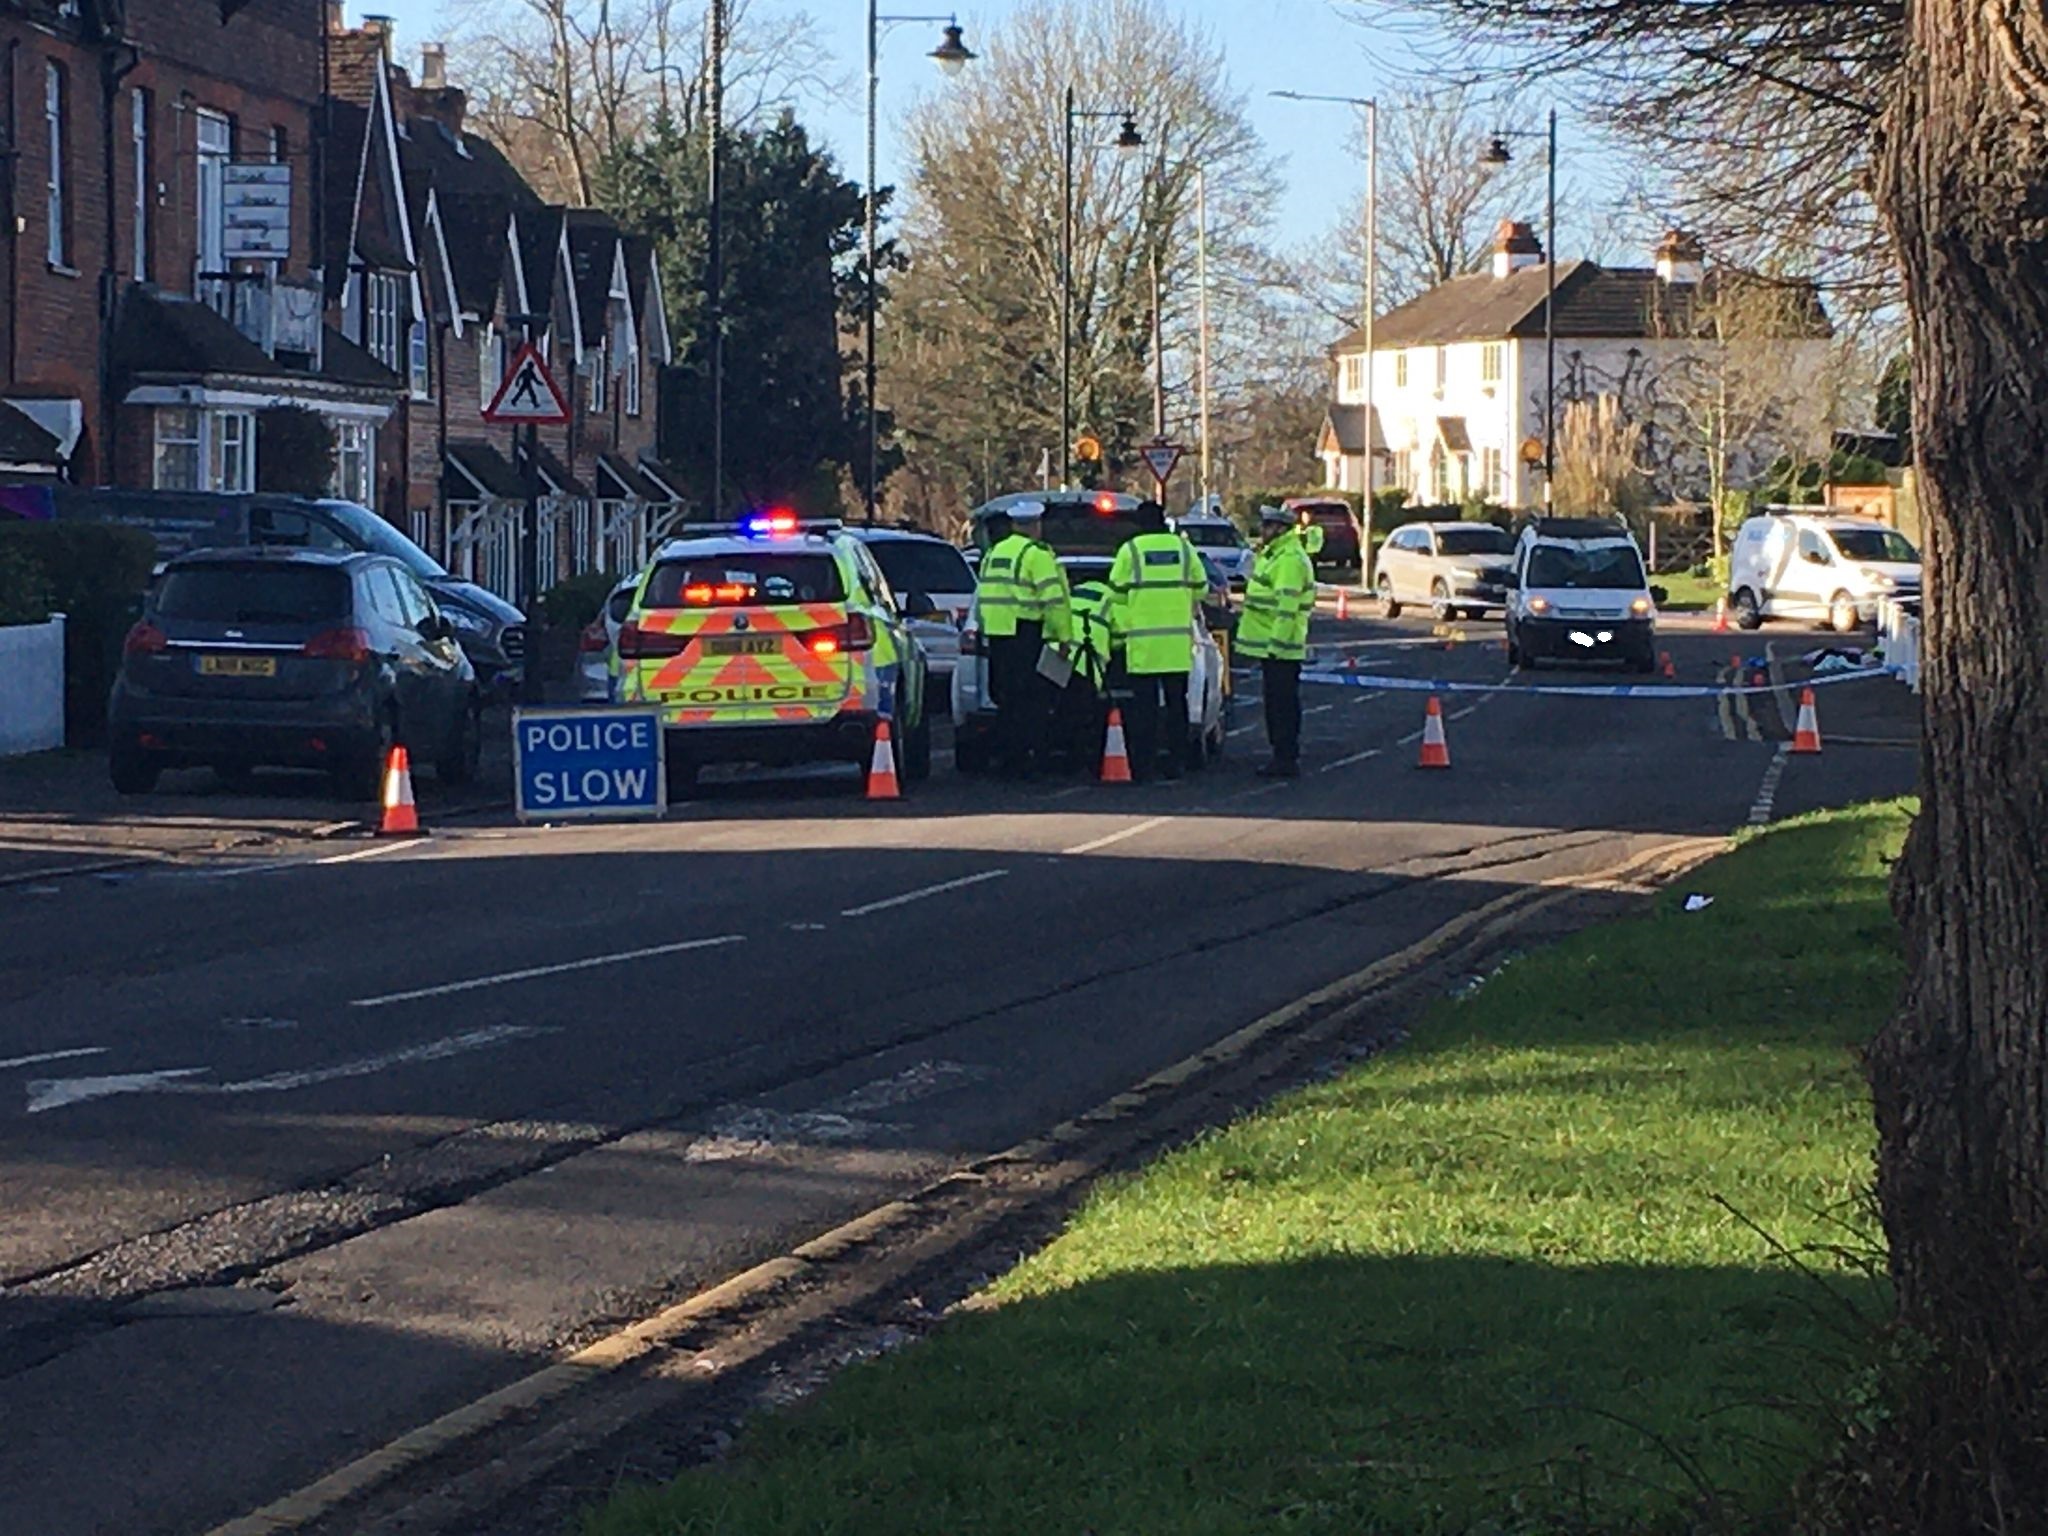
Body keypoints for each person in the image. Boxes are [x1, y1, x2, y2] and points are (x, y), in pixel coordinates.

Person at [1107, 500, 1206, 781]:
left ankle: (1144, 763)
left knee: (1144, 708)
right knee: (1177, 704)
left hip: (1143, 646)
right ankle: (1177, 761)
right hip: (1175, 646)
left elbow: (1115, 594)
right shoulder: (1183, 550)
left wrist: (1127, 626)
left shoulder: (1131, 551)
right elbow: (1201, 588)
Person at [978, 501, 1069, 778]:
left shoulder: (994, 553)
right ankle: (1033, 760)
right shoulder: (1036, 555)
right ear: (1035, 525)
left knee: (1007, 700)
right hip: (1026, 633)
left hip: (997, 635)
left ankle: (1009, 760)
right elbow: (1053, 600)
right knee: (1034, 701)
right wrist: (1063, 637)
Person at [1236, 505, 1317, 777]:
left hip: (1280, 649)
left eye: (1268, 526)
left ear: (1281, 529)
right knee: (1277, 703)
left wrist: (1276, 647)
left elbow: (1286, 608)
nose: (1263, 531)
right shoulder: (1276, 555)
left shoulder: (1289, 559)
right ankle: (1282, 754)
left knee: (1281, 706)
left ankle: (1285, 757)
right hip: (1274, 648)